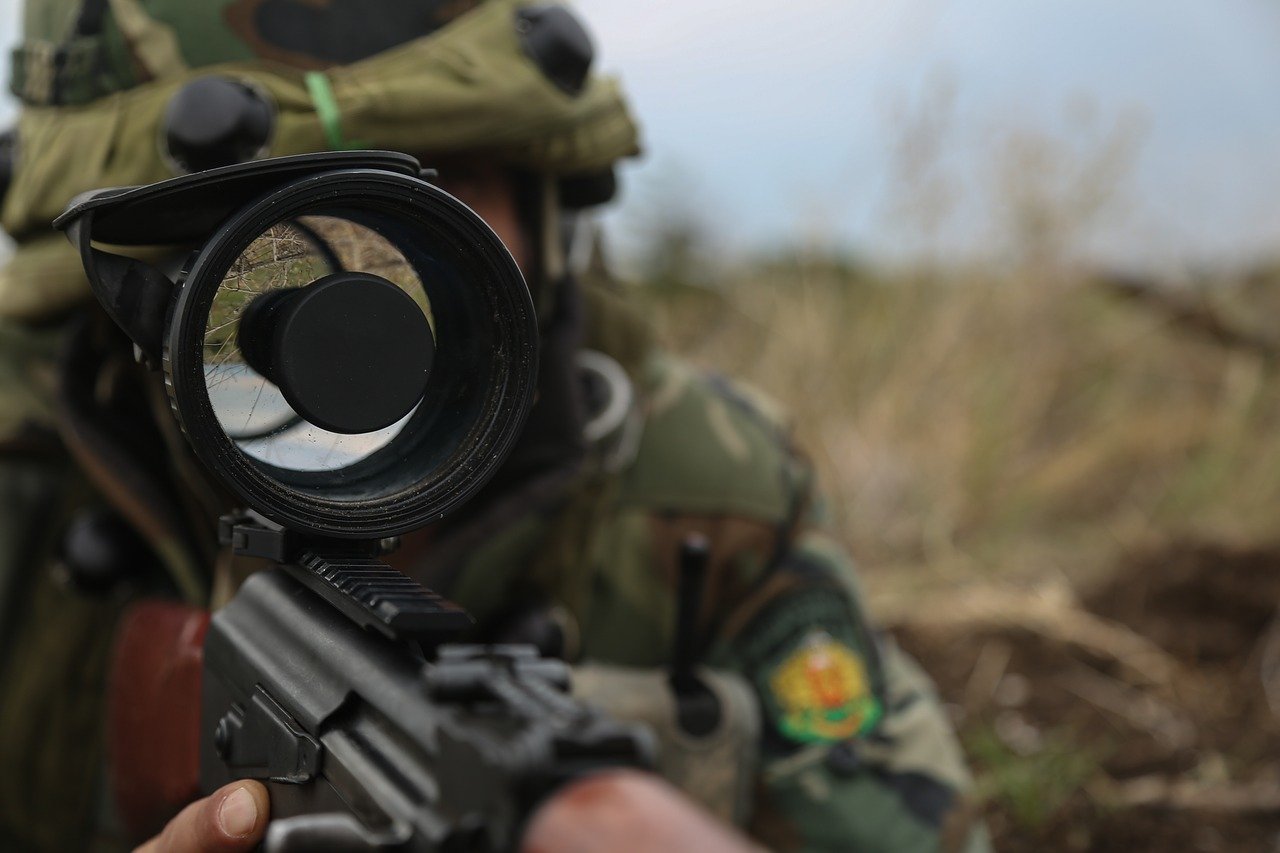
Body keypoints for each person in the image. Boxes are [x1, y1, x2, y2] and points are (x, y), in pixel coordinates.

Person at [0, 1, 989, 850]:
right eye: (282, 203)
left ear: (542, 203)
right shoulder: (23, 463)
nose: (354, 292)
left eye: (437, 188)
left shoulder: (701, 476)